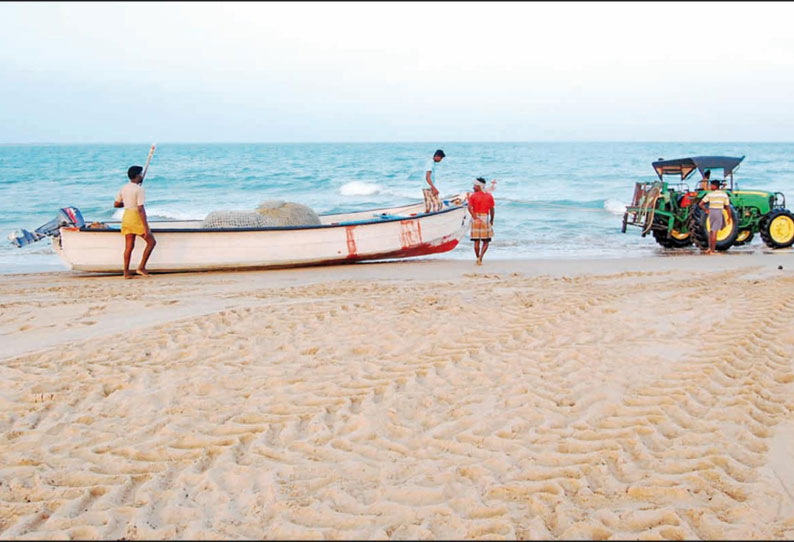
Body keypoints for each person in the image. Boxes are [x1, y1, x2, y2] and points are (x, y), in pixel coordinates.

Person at [114, 165, 156, 278]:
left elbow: (116, 204)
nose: (142, 176)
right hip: (135, 217)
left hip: (126, 217)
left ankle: (126, 272)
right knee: (151, 242)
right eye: (141, 174)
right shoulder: (139, 189)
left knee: (129, 246)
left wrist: (128, 202)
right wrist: (146, 227)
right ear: (137, 176)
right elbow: (140, 208)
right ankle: (141, 267)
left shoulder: (124, 188)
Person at [698, 178, 730, 255]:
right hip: (719, 211)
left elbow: (700, 204)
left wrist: (706, 210)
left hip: (711, 212)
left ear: (715, 186)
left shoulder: (710, 194)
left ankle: (709, 248)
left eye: (711, 185)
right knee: (715, 231)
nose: (710, 187)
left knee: (711, 231)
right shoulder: (724, 195)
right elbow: (727, 207)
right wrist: (729, 217)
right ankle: (713, 250)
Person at [468, 177, 495, 265]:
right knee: (486, 241)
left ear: (479, 186)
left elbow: (469, 208)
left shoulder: (473, 196)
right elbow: (492, 210)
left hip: (475, 218)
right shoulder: (489, 196)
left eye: (475, 186)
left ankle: (477, 257)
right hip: (485, 218)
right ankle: (481, 257)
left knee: (476, 241)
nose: (473, 187)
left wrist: (475, 217)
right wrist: (491, 220)